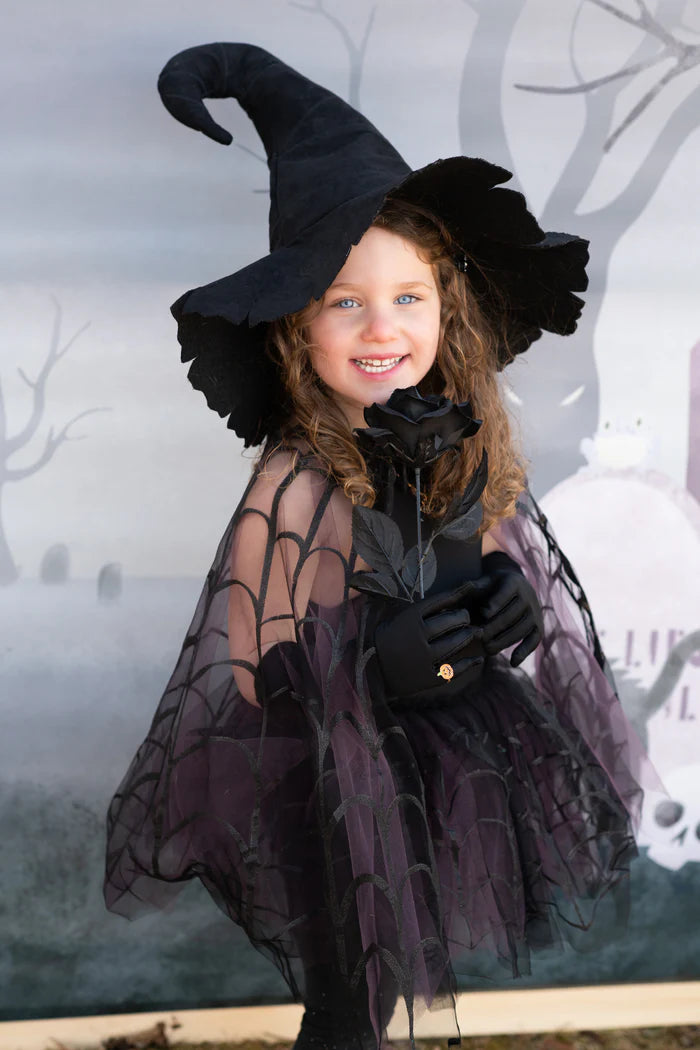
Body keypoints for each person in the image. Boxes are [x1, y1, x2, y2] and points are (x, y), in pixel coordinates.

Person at [104, 43, 658, 1050]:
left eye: (408, 298)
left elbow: (489, 554)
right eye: (344, 301)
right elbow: (247, 665)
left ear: (448, 313)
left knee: (391, 975)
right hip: (325, 775)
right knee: (349, 992)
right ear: (295, 325)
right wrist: (368, 656)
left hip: (441, 756)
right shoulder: (297, 477)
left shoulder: (461, 444)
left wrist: (504, 599)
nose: (381, 329)